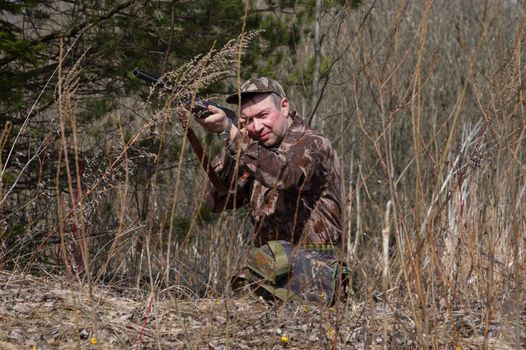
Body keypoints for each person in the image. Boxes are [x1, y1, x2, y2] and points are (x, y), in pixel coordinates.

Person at [195, 77, 343, 248]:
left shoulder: (314, 143)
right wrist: (232, 142)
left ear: (284, 107)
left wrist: (234, 136)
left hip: (314, 266)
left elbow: (282, 176)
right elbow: (216, 201)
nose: (257, 127)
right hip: (268, 267)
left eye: (263, 115)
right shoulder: (254, 151)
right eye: (248, 120)